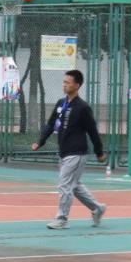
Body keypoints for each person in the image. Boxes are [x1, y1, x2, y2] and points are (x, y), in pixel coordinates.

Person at [30, 69, 106, 229]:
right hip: (64, 153)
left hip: (76, 153)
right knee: (74, 186)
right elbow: (51, 124)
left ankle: (61, 219)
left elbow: (93, 131)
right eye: (63, 82)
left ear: (76, 85)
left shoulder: (83, 108)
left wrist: (99, 152)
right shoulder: (61, 103)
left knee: (64, 185)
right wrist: (40, 142)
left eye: (67, 82)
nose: (64, 85)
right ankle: (97, 208)